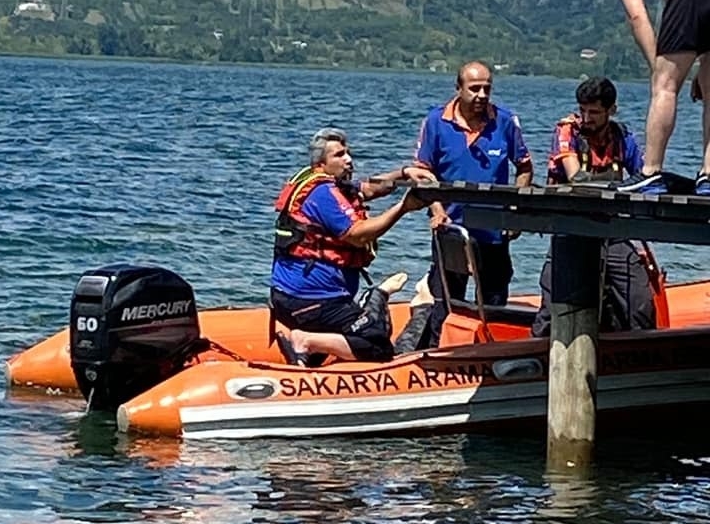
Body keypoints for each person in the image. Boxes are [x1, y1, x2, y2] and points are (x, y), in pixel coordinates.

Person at [270, 127, 433, 365]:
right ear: (321, 164)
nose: (348, 159)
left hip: (291, 297)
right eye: (339, 155)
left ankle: (308, 355)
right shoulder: (322, 193)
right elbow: (357, 235)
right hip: (312, 301)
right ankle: (304, 341)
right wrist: (404, 207)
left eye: (348, 153)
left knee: (350, 333)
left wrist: (404, 173)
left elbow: (368, 188)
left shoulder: (325, 184)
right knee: (377, 345)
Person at [413, 60, 534, 347]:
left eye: (486, 89)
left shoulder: (504, 122)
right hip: (452, 229)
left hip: (494, 230)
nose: (481, 95)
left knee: (493, 300)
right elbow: (423, 172)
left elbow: (525, 167)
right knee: (445, 299)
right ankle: (435, 352)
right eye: (474, 88)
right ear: (459, 88)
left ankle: (489, 352)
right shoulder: (436, 122)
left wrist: (515, 210)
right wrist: (437, 210)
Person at [531, 76, 657, 337]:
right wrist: (619, 185)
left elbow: (644, 177)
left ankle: (637, 351)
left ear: (611, 111)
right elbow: (576, 177)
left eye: (594, 112)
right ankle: (540, 347)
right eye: (583, 110)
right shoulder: (567, 131)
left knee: (639, 299)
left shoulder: (622, 137)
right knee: (552, 300)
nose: (586, 118)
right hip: (570, 227)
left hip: (612, 229)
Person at [605, 0, 710, 195]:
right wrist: (699, 72)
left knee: (665, 87)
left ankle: (651, 171)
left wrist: (658, 68)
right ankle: (708, 176)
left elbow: (637, 17)